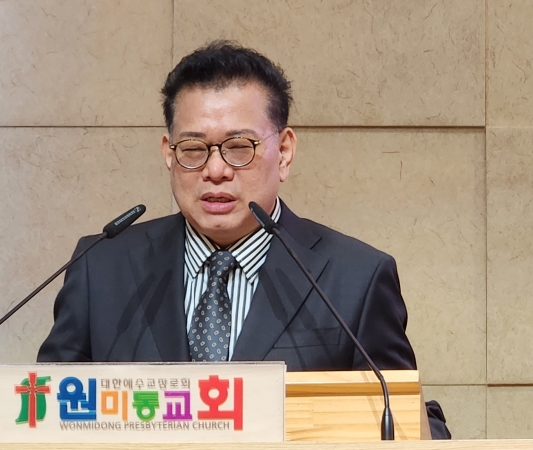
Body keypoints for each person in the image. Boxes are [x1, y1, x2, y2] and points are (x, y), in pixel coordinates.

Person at [37, 40, 449, 438]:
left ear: (283, 152)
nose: (215, 170)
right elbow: (42, 415)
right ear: (168, 153)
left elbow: (403, 415)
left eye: (239, 147)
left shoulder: (355, 278)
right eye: (193, 149)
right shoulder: (100, 268)